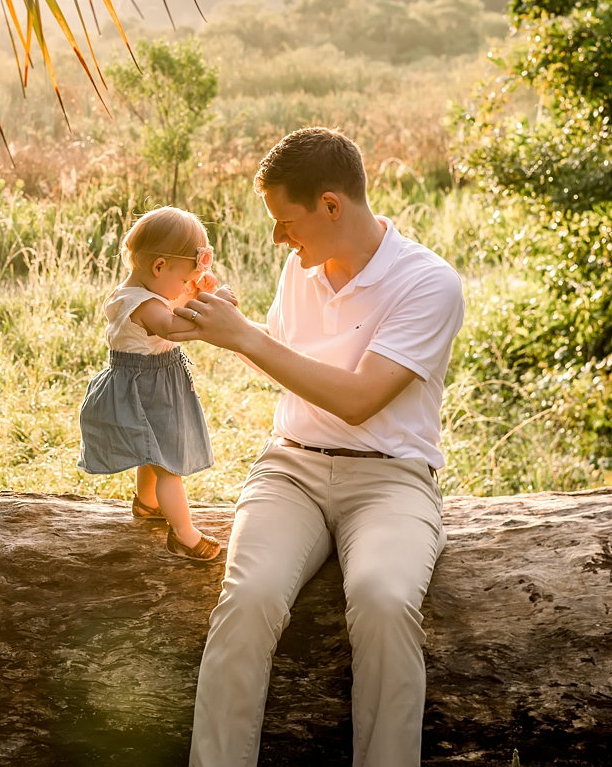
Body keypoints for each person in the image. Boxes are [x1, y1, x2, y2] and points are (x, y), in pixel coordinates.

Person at [173, 128, 465, 767]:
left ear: (332, 205)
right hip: (291, 470)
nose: (279, 238)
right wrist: (231, 318)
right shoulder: (299, 268)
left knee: (385, 600)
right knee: (247, 599)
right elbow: (288, 359)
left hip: (392, 479)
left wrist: (247, 338)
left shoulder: (429, 283)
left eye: (286, 222)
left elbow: (361, 399)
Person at [78, 206, 232, 562]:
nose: (184, 286)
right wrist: (212, 308)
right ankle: (184, 535)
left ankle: (147, 504)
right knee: (168, 465)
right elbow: (173, 327)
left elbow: (174, 304)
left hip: (158, 381)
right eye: (184, 278)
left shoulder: (152, 291)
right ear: (159, 267)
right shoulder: (139, 303)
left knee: (153, 452)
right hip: (144, 387)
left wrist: (196, 293)